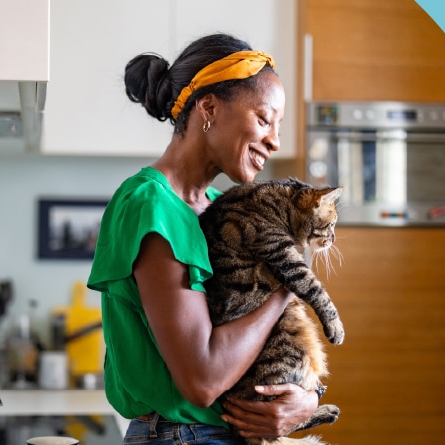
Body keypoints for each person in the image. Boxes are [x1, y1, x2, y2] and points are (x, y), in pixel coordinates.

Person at [87, 33, 321, 445]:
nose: (275, 140)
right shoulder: (152, 206)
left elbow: (263, 339)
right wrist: (287, 284)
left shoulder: (220, 207)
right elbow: (204, 379)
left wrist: (304, 398)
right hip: (183, 436)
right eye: (264, 119)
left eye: (277, 126)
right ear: (209, 108)